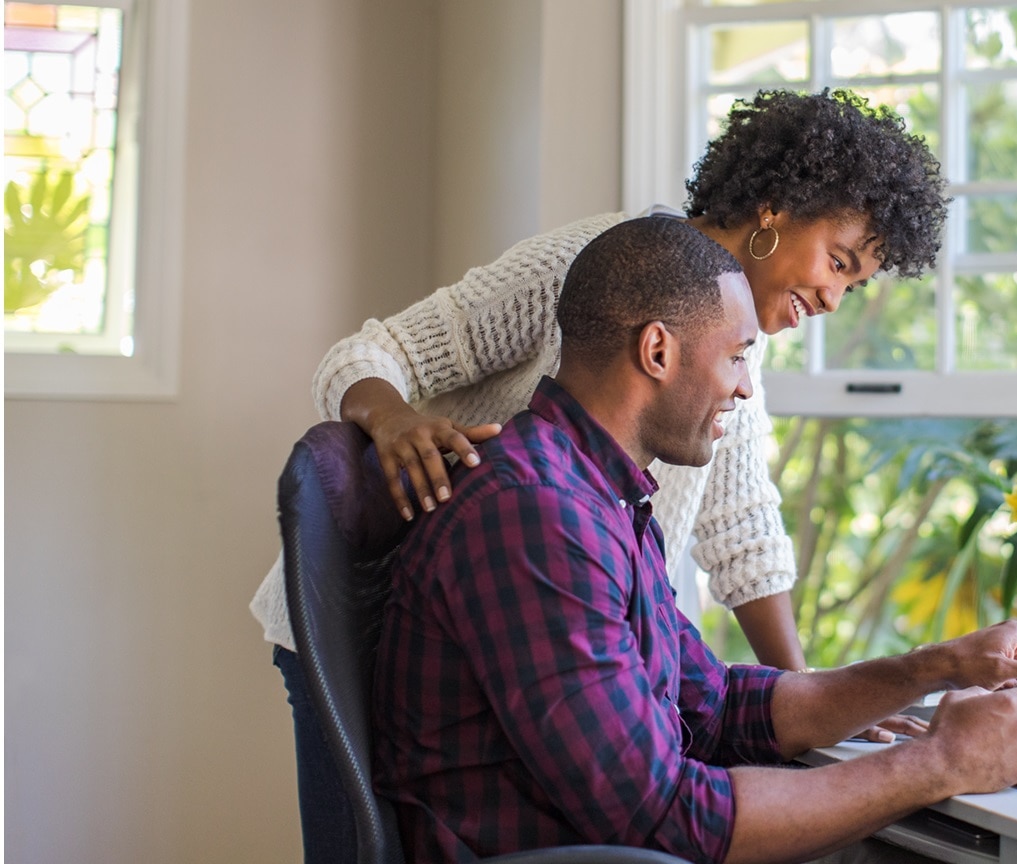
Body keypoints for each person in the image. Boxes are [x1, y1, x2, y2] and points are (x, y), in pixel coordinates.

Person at [253, 89, 948, 863]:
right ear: (776, 209)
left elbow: (743, 532)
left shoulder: (723, 339)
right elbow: (373, 352)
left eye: (854, 286)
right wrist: (393, 420)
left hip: (539, 603)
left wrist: (822, 703)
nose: (833, 298)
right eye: (839, 263)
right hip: (399, 606)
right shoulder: (592, 267)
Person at [372, 217, 1017, 864]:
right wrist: (938, 763)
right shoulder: (536, 515)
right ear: (657, 350)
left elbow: (716, 707)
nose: (744, 389)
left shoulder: (599, 498)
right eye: (738, 356)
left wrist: (937, 666)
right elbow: (663, 818)